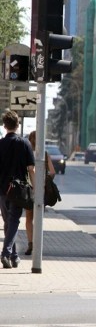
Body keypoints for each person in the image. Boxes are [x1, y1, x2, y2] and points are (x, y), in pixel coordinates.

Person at [0, 111, 36, 269]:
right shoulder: (24, 144)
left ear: (4, 125)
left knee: (8, 222)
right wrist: (35, 189)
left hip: (1, 189)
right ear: (18, 125)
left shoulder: (0, 143)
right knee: (13, 221)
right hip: (18, 190)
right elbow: (31, 169)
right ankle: (6, 253)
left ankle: (14, 257)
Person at [25, 131, 55, 255]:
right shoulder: (45, 154)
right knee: (38, 218)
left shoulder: (25, 154)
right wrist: (44, 181)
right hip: (41, 190)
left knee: (28, 218)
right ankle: (38, 244)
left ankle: (30, 244)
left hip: (28, 189)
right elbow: (52, 172)